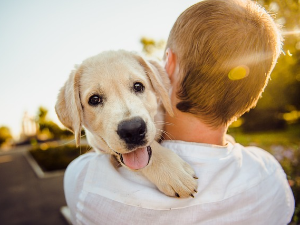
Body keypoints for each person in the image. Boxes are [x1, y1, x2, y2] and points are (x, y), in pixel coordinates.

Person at [64, 0, 295, 224]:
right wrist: (155, 158)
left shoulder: (85, 182)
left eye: (137, 87)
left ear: (168, 66)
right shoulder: (270, 175)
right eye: (95, 99)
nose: (129, 119)